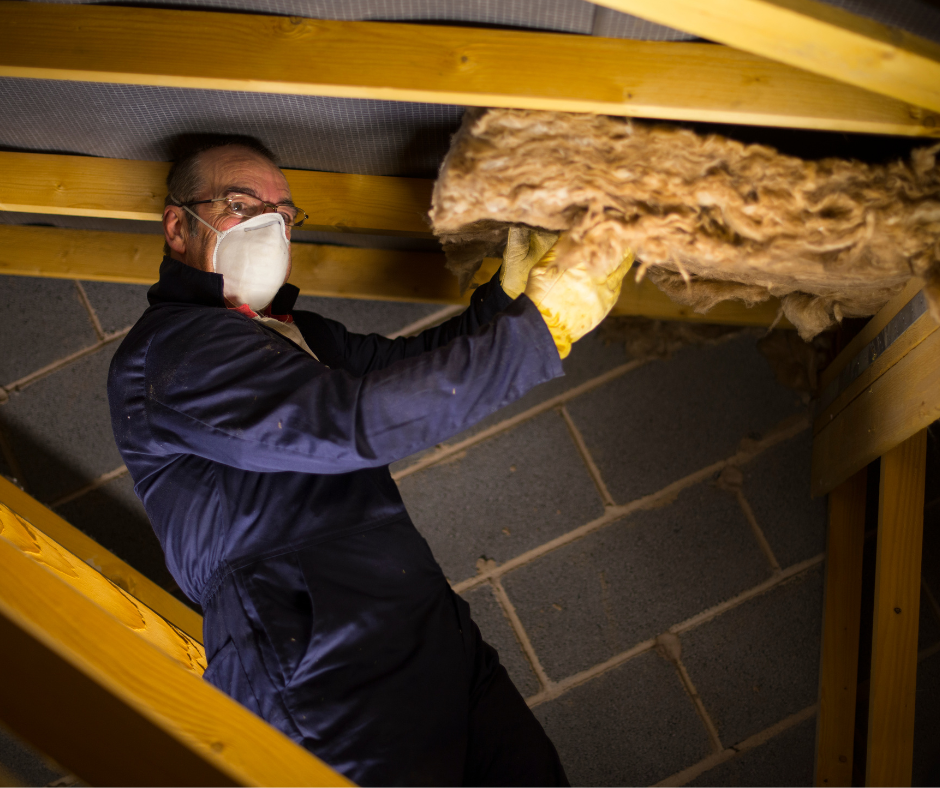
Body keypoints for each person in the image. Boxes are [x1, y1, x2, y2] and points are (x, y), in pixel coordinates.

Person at [108, 135, 629, 786]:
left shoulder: (294, 334)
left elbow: (404, 375)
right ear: (177, 226)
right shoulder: (171, 352)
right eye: (243, 205)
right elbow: (349, 421)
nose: (271, 226)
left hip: (419, 622)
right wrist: (540, 330)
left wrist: (509, 300)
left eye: (284, 213)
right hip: (318, 648)